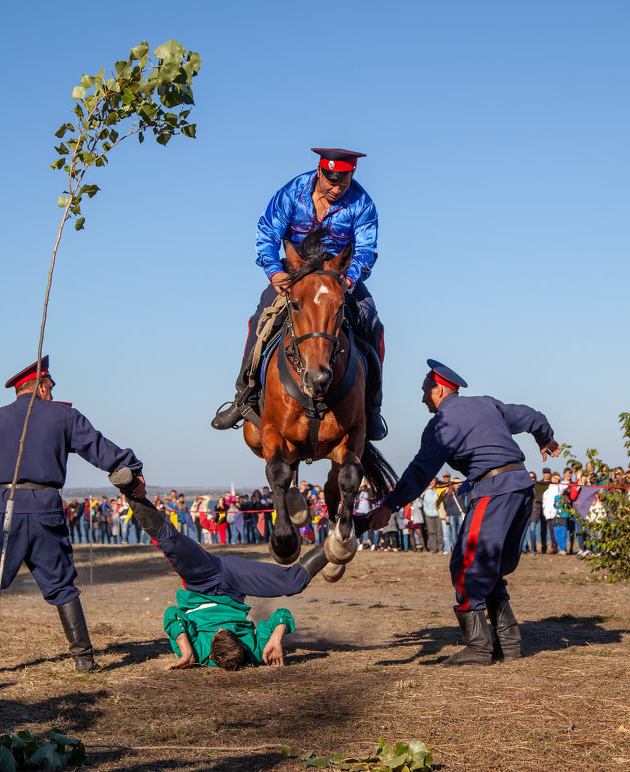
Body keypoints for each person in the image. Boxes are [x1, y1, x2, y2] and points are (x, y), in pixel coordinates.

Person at [0, 355, 145, 672]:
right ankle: (83, 660)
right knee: (61, 582)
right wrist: (129, 468)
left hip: (3, 507)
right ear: (43, 386)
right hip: (47, 506)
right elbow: (99, 448)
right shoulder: (64, 416)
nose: (52, 390)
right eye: (51, 385)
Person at [367, 360, 561, 666]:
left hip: (494, 490)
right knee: (491, 567)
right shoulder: (486, 404)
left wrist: (389, 505)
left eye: (424, 391)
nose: (421, 398)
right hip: (521, 487)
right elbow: (530, 415)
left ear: (439, 390)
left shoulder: (442, 424)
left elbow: (420, 472)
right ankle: (509, 645)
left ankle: (478, 647)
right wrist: (544, 438)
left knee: (466, 565)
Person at [210, 148, 386, 440]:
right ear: (320, 172)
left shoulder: (362, 203)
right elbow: (267, 232)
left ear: (352, 175)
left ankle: (373, 407)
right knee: (259, 320)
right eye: (331, 181)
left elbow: (366, 250)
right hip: (294, 274)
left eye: (343, 182)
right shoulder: (291, 193)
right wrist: (274, 272)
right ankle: (244, 396)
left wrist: (349, 279)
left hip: (338, 278)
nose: (336, 188)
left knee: (372, 323)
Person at [118, 491, 329, 669]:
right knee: (293, 583)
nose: (221, 627)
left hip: (202, 582)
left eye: (218, 632)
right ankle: (335, 543)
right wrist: (276, 638)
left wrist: (186, 651)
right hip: (235, 585)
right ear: (242, 646)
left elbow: (172, 614)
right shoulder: (254, 652)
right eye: (230, 632)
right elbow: (282, 615)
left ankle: (131, 490)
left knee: (171, 544)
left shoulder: (197, 652)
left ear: (209, 655)